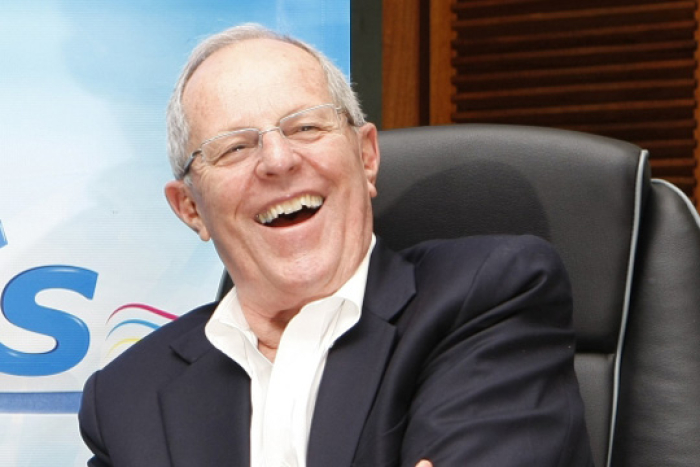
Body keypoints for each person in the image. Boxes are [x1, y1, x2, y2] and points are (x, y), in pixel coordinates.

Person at [78, 23, 594, 467]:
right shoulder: (127, 397)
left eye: (306, 126)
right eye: (234, 147)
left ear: (366, 157)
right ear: (191, 208)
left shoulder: (489, 298)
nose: (278, 161)